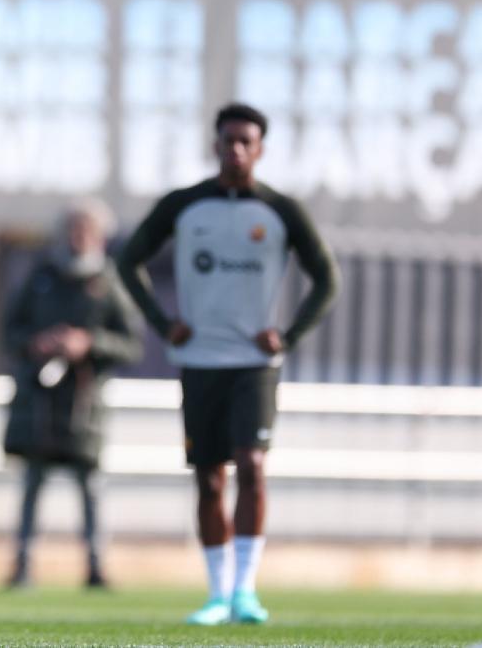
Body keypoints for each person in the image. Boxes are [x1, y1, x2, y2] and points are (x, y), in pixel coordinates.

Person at [116, 103, 339, 626]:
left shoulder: (281, 210)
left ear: (260, 148)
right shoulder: (185, 205)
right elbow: (128, 261)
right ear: (215, 145)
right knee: (210, 477)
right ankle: (217, 594)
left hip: (254, 364)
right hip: (199, 361)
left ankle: (246, 590)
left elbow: (327, 278)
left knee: (254, 466)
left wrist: (287, 335)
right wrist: (161, 320)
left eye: (246, 141)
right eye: (228, 140)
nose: (236, 149)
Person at [1, 198, 142, 591]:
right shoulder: (41, 276)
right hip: (39, 403)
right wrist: (37, 343)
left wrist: (89, 343)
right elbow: (10, 332)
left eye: (88, 230)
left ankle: (96, 567)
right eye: (74, 229)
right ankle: (22, 565)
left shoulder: (109, 283)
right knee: (31, 485)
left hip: (85, 406)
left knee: (92, 489)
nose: (79, 238)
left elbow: (132, 344)